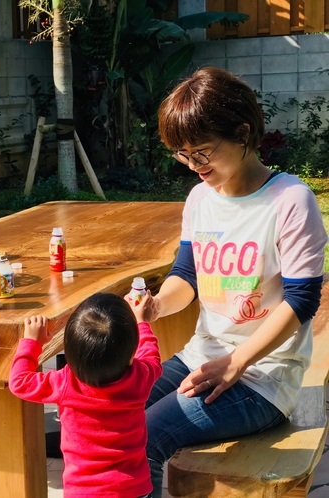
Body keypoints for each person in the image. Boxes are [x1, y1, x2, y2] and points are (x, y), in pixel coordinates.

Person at [145, 67, 328, 498]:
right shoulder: (200, 199)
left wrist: (237, 361)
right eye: (183, 155)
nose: (193, 166)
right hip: (201, 357)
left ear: (244, 133)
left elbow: (303, 300)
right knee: (110, 411)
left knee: (145, 437)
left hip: (262, 377)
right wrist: (156, 306)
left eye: (202, 153)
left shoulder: (289, 200)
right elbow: (186, 276)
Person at [9, 292, 161, 498]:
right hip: (134, 489)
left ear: (69, 351)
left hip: (84, 491)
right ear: (131, 350)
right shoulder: (141, 376)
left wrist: (32, 342)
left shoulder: (66, 383)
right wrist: (142, 322)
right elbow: (150, 353)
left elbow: (19, 382)